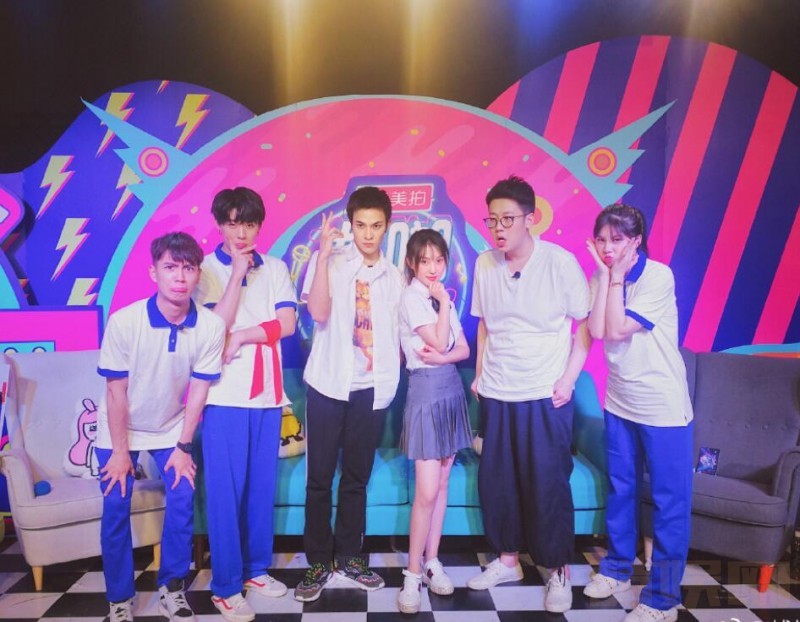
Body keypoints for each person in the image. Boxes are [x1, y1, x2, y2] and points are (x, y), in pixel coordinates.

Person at [467, 175, 591, 614]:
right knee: (497, 481)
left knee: (547, 482)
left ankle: (558, 569)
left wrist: (569, 379)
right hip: (498, 391)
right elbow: (484, 325)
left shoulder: (559, 263)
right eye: (492, 220)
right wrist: (479, 376)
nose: (498, 228)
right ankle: (508, 561)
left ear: (530, 219)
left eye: (508, 219)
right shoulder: (485, 264)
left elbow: (586, 326)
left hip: (544, 392)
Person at [95, 232, 225, 622]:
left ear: (198, 273)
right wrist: (121, 452)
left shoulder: (210, 325)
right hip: (120, 426)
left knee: (183, 495)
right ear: (154, 272)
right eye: (170, 267)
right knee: (115, 502)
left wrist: (183, 447)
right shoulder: (125, 321)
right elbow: (115, 391)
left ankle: (172, 588)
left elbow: (199, 389)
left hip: (170, 426)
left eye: (188, 268)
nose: (179, 277)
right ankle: (120, 598)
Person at [582, 204, 693, 622]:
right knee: (621, 489)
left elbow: (616, 329)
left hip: (662, 407)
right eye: (601, 240)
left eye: (617, 240)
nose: (607, 248)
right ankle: (616, 569)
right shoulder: (602, 276)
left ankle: (663, 597)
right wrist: (607, 277)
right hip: (620, 402)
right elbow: (596, 331)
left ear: (636, 241)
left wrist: (612, 278)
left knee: (668, 501)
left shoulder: (658, 276)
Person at [294, 186, 403, 602]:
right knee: (319, 479)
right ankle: (318, 562)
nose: (368, 234)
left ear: (386, 226)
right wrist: (323, 255)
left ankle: (350, 558)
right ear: (350, 225)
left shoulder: (394, 276)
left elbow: (401, 334)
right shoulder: (331, 263)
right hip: (328, 385)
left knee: (357, 478)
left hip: (371, 390)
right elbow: (319, 313)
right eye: (361, 225)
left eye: (376, 226)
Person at [194, 188, 297, 621]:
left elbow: (287, 323)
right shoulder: (203, 270)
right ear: (220, 224)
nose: (241, 232)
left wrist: (243, 336)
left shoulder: (275, 268)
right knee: (224, 494)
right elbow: (213, 327)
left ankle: (256, 570)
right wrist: (236, 273)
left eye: (249, 224)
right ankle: (225, 586)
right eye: (233, 223)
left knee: (259, 489)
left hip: (268, 395)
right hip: (223, 396)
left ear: (259, 226)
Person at [395, 229, 472, 614]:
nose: (432, 267)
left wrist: (444, 356)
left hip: (451, 390)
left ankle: (432, 560)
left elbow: (463, 349)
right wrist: (443, 307)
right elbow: (442, 342)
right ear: (412, 263)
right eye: (424, 261)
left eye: (439, 260)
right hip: (425, 392)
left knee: (442, 485)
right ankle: (412, 573)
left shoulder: (441, 298)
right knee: (426, 491)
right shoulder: (413, 298)